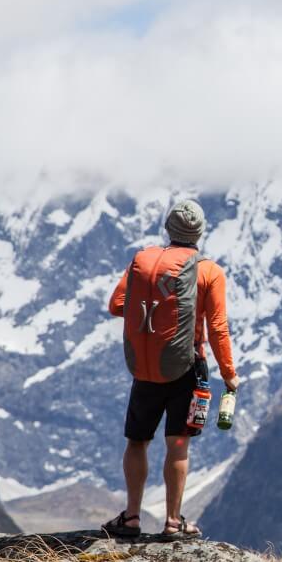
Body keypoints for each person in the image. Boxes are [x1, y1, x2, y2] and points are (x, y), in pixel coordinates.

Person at [101, 200, 240, 539]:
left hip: (145, 367)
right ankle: (173, 523)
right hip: (187, 367)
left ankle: (131, 518)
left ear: (168, 229)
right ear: (200, 232)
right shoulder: (208, 271)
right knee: (178, 444)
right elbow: (217, 327)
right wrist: (228, 373)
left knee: (137, 441)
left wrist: (155, 316)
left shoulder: (143, 262)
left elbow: (116, 305)